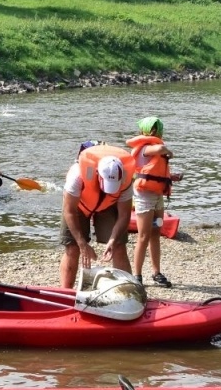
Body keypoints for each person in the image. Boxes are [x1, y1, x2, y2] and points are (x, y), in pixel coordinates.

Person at [60, 141, 133, 286]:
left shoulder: (126, 179)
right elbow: (69, 211)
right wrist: (82, 243)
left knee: (119, 246)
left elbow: (124, 215)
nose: (108, 189)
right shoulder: (77, 176)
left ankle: (126, 290)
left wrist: (112, 239)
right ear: (98, 174)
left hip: (109, 204)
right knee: (72, 247)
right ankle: (65, 291)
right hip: (79, 205)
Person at [127, 117, 181, 288]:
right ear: (148, 131)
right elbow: (161, 148)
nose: (159, 133)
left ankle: (156, 272)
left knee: (156, 233)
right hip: (144, 197)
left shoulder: (153, 150)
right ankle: (137, 275)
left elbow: (153, 173)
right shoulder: (144, 148)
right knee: (143, 236)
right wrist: (169, 152)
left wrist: (171, 178)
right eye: (157, 130)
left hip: (157, 196)